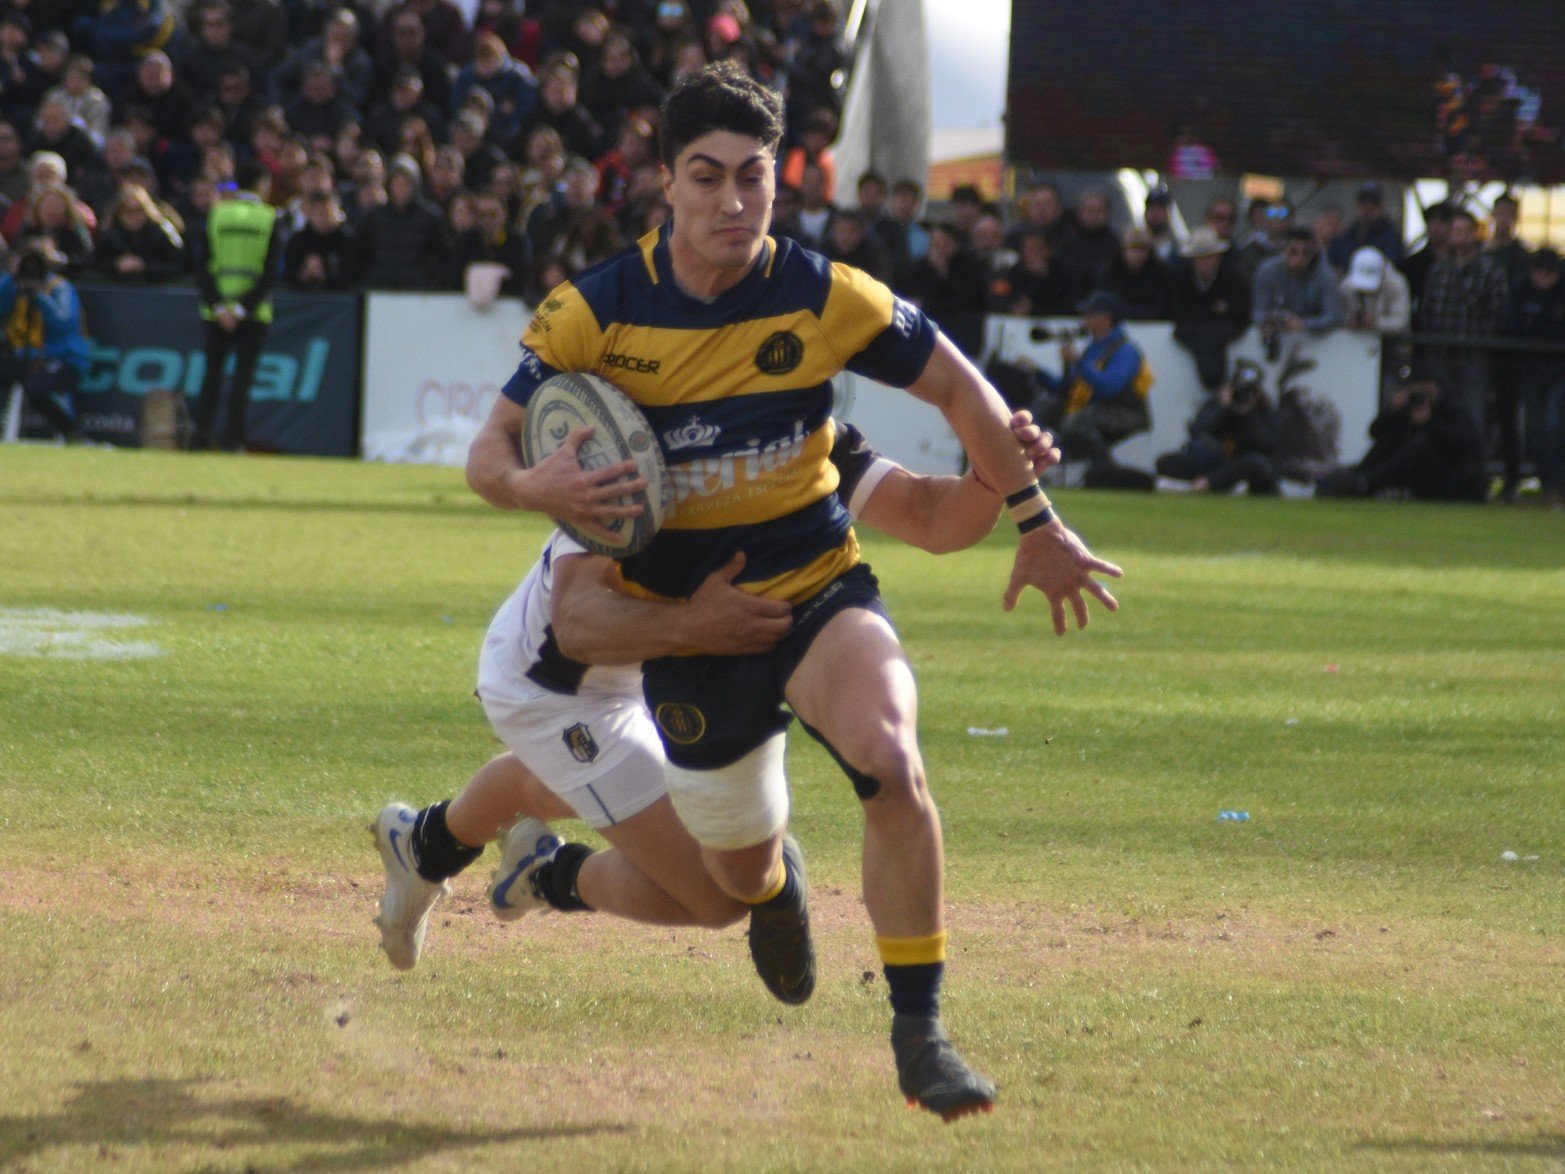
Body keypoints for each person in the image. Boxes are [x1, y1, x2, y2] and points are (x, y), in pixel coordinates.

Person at [463, 63, 1122, 1122]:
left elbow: (954, 393)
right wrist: (529, 483)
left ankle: (920, 1031)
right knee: (732, 884)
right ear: (665, 186)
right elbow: (487, 450)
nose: (732, 201)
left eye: (753, 178)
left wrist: (1028, 508)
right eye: (706, 177)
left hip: (817, 596)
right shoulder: (597, 313)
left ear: (780, 181)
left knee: (892, 761)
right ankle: (729, 882)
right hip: (693, 641)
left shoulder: (823, 298)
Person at [373, 410, 1056, 968]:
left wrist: (991, 480)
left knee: (557, 785)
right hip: (559, 682)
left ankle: (426, 844)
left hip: (657, 664)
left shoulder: (794, 425)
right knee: (715, 896)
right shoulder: (645, 436)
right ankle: (549, 876)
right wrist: (695, 621)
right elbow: (579, 623)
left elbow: (929, 517)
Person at [189, 159, 284, 451]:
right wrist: (242, 309)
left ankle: (201, 437)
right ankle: (232, 440)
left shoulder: (217, 214)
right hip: (253, 313)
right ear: (262, 183)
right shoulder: (270, 218)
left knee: (212, 377)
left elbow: (202, 266)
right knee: (242, 381)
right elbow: (271, 272)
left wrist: (220, 307)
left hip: (216, 312)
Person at [1035, 290, 1153, 480]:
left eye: (1090, 314)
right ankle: (1035, 462)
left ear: (1106, 318)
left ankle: (1104, 471)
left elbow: (1110, 387)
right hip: (1094, 409)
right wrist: (1037, 373)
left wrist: (1078, 362)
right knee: (1046, 407)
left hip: (1126, 412)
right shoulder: (1093, 348)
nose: (1084, 319)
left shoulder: (1126, 350)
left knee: (1080, 420)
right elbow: (1068, 389)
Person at [1315, 379, 1487, 502]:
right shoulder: (1408, 409)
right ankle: (1359, 478)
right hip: (1420, 479)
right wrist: (1392, 410)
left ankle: (1365, 484)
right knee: (1392, 438)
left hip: (1454, 481)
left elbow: (1461, 445)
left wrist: (1430, 422)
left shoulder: (1453, 408)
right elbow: (1375, 432)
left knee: (1420, 446)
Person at [0, 243, 90, 443]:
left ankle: (71, 432)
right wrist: (11, 279)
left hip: (61, 358)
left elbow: (63, 322)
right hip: (21, 356)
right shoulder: (11, 285)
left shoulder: (59, 288)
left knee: (36, 387)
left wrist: (39, 296)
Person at [1154, 361, 1280, 494]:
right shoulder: (1216, 403)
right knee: (1166, 462)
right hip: (1214, 463)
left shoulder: (1264, 410)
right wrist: (1222, 407)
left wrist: (1247, 413)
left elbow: (1267, 444)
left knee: (1258, 465)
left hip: (1241, 464)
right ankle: (1215, 484)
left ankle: (1208, 484)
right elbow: (1197, 430)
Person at [1502, 247, 1565, 508]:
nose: (1543, 276)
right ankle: (1546, 482)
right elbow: (1513, 328)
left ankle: (1556, 485)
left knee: (1554, 425)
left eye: (1549, 271)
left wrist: (1536, 326)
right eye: (1539, 270)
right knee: (1536, 429)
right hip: (1530, 371)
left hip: (1558, 372)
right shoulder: (1520, 288)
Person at [1168, 225, 1250, 391]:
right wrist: (1214, 310)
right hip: (1193, 331)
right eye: (1200, 257)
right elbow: (1176, 310)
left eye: (1209, 256)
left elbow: (1241, 311)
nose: (1205, 262)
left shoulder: (1233, 276)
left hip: (1222, 330)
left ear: (1218, 256)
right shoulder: (1181, 277)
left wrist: (1202, 312)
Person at [1252, 227, 1346, 358]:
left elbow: (1334, 317)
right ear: (1283, 249)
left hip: (1314, 345)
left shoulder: (1325, 276)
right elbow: (1258, 309)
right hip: (1275, 333)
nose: (1299, 259)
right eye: (1293, 252)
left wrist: (1303, 323)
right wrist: (1267, 322)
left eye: (1306, 253)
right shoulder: (1268, 270)